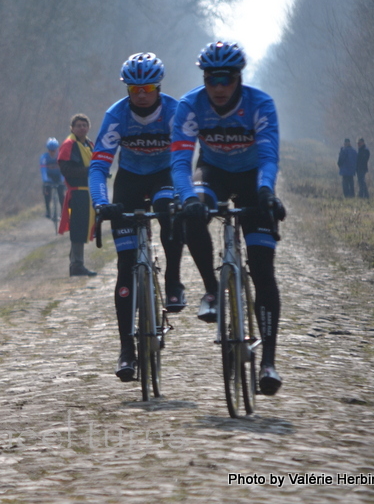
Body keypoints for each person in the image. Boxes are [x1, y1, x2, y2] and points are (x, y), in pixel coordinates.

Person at [171, 41, 287, 395]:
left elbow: (268, 154)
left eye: (226, 78)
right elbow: (179, 161)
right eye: (211, 79)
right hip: (213, 174)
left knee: (263, 269)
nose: (218, 87)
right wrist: (188, 198)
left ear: (238, 78)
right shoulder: (191, 105)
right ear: (204, 79)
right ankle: (211, 289)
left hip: (253, 179)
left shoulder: (259, 104)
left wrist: (267, 190)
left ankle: (268, 361)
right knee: (192, 214)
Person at [89, 52, 186, 382]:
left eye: (147, 88)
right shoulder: (116, 116)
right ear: (127, 90)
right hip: (129, 182)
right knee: (125, 268)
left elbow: (185, 158)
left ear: (158, 87)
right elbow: (100, 165)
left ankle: (173, 280)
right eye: (134, 89)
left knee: (168, 212)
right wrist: (102, 203)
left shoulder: (173, 111)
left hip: (163, 176)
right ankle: (126, 349)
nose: (141, 95)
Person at [58, 114, 97, 277]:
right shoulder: (69, 145)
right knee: (78, 229)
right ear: (72, 128)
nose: (82, 128)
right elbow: (66, 170)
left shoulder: (89, 144)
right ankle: (76, 265)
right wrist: (89, 171)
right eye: (78, 125)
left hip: (88, 193)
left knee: (82, 228)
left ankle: (76, 263)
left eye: (84, 125)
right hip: (77, 192)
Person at [40, 137, 65, 220]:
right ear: (48, 149)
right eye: (50, 150)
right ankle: (48, 211)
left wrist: (62, 179)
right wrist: (45, 180)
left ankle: (63, 211)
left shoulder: (61, 156)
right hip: (49, 177)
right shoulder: (44, 157)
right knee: (47, 193)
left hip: (59, 176)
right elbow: (43, 170)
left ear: (57, 149)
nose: (52, 152)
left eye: (54, 150)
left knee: (61, 194)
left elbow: (63, 169)